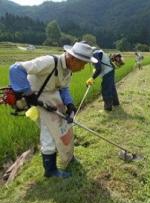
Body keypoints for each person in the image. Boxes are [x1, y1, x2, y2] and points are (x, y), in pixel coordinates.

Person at [9, 42, 97, 178]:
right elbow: (15, 69)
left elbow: (63, 88)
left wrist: (69, 104)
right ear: (73, 59)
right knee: (48, 133)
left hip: (53, 100)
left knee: (64, 128)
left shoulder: (68, 69)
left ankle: (68, 157)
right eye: (83, 64)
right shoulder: (49, 62)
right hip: (38, 100)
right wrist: (28, 93)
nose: (83, 67)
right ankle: (50, 170)